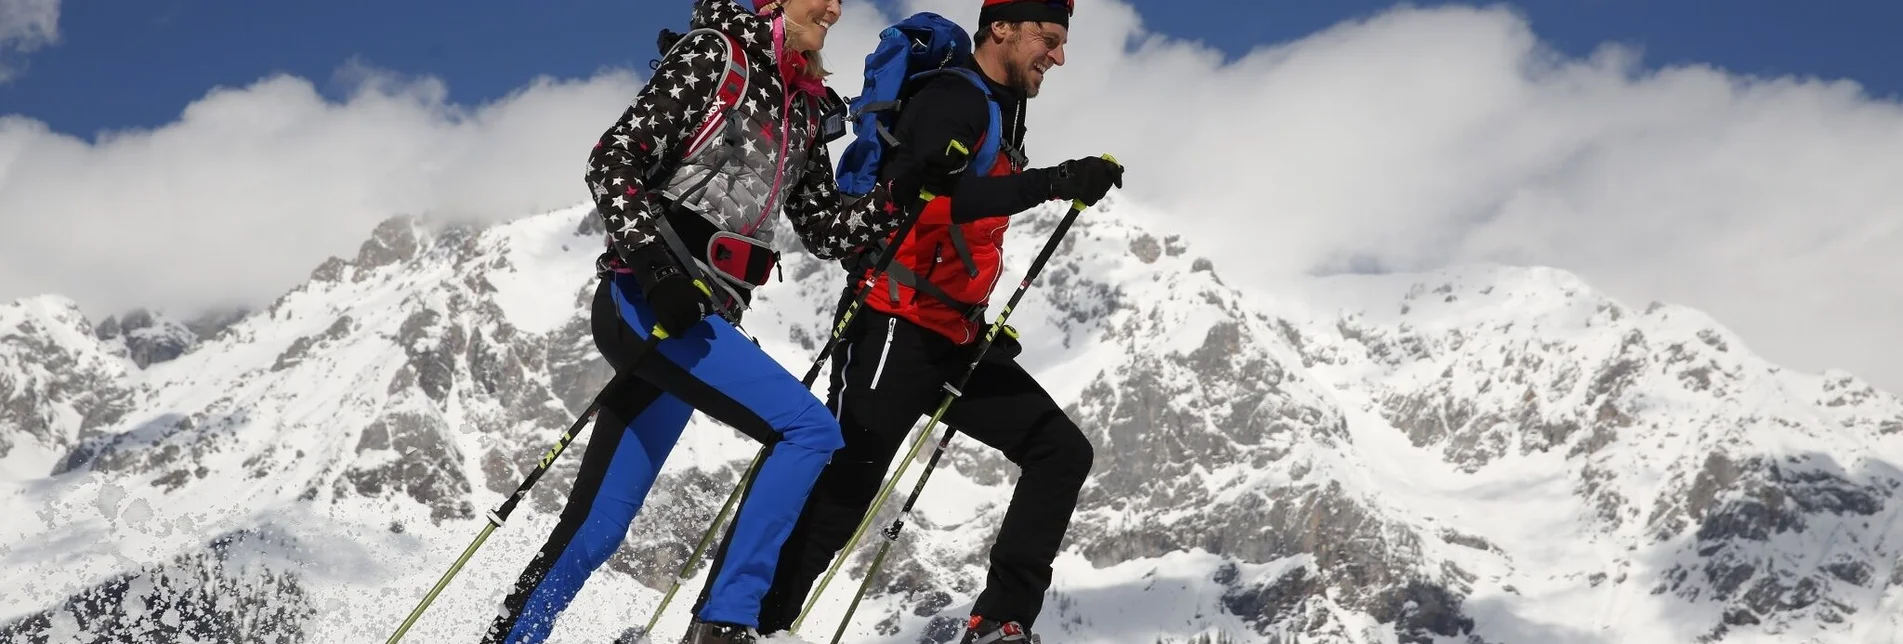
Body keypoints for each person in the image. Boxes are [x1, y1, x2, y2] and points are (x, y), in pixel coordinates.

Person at [686, 0, 1125, 642]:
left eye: (1061, 42)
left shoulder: (1006, 113)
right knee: (846, 490)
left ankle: (1001, 622)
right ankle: (746, 626)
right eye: (1047, 38)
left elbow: (969, 222)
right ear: (1000, 28)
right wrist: (1056, 182)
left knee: (1060, 451)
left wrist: (969, 308)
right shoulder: (953, 98)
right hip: (891, 321)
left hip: (950, 332)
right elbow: (920, 197)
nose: (1057, 56)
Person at [475, 0, 908, 642]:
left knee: (599, 529)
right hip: (648, 303)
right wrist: (657, 271)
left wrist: (907, 193)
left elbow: (823, 226)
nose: (837, 8)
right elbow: (613, 161)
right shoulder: (713, 56)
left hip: (702, 320)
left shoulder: (812, 104)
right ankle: (726, 622)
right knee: (809, 430)